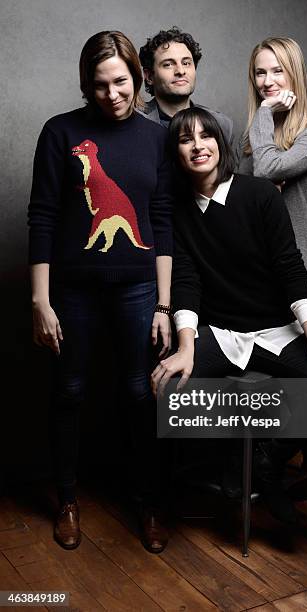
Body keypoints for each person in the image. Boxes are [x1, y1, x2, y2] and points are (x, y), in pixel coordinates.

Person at [151, 107, 307, 524]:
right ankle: (201, 480)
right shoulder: (177, 210)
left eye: (205, 136)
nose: (197, 146)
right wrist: (187, 347)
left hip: (275, 330)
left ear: (220, 144)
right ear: (175, 153)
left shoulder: (259, 194)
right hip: (222, 331)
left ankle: (266, 460)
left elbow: (290, 267)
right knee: (165, 388)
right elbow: (186, 281)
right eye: (185, 140)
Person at [28, 31, 173, 554]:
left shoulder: (157, 137)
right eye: (99, 85)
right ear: (86, 87)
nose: (112, 94)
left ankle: (149, 500)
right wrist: (40, 301)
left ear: (138, 77)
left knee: (139, 393)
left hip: (136, 289)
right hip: (72, 290)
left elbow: (160, 220)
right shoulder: (60, 132)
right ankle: (67, 498)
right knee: (69, 391)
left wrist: (162, 303)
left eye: (122, 82)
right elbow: (42, 214)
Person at [238, 37, 307, 499]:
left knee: (305, 379)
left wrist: (264, 114)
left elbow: (265, 170)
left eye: (277, 71)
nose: (268, 82)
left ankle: (275, 464)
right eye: (260, 73)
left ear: (295, 77)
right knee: (273, 382)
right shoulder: (252, 140)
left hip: (299, 273)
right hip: (258, 277)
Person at [139, 26, 233, 142]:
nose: (180, 71)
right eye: (168, 64)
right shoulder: (135, 122)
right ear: (149, 76)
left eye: (186, 63)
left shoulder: (220, 124)